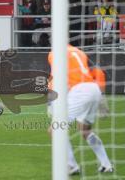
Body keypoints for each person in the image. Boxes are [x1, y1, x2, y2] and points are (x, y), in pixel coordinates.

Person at [47, 45, 113, 175]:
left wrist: (50, 103)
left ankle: (72, 166)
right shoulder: (79, 52)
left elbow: (55, 78)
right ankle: (106, 165)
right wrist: (102, 98)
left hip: (79, 91)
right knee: (85, 130)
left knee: (54, 130)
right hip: (94, 89)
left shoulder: (54, 53)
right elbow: (97, 71)